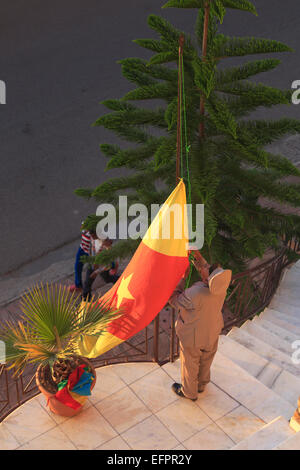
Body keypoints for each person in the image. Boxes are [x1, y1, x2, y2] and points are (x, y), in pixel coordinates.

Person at [168, 251, 232, 401]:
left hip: (193, 335)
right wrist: (196, 255)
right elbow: (207, 270)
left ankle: (189, 392)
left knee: (190, 363)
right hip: (212, 330)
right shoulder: (220, 287)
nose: (205, 267)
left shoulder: (195, 293)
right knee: (206, 358)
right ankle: (201, 384)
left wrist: (182, 279)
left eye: (206, 268)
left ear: (206, 277)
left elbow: (174, 300)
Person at [69, 225, 99, 293]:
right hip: (82, 249)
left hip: (91, 253)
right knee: (77, 266)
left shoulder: (96, 234)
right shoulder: (85, 226)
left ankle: (113, 265)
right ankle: (78, 285)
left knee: (93, 271)